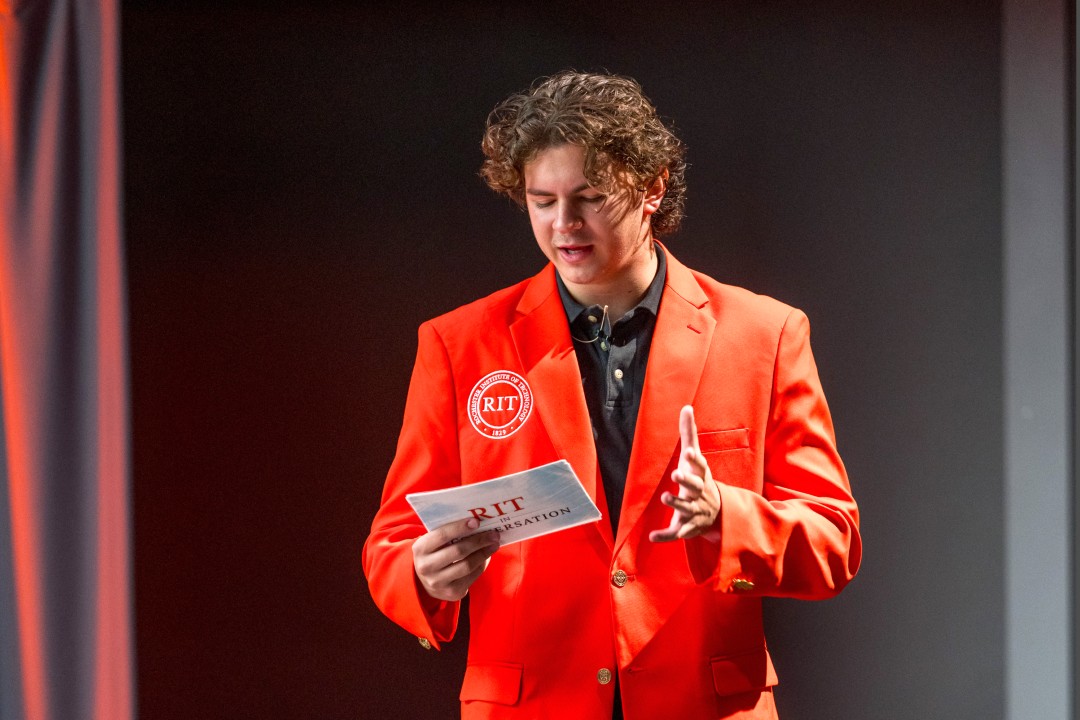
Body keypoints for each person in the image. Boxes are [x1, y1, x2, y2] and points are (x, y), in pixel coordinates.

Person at [363, 70, 861, 720]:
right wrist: (423, 574)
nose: (563, 224)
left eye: (590, 197)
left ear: (653, 187)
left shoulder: (765, 334)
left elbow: (833, 541)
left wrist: (726, 517)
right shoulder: (459, 343)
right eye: (542, 201)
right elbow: (393, 542)